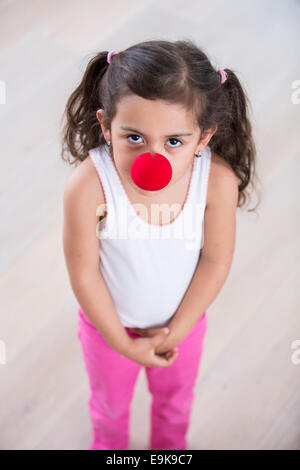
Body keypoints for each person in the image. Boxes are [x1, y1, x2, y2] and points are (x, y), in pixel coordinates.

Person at [61, 39, 259, 450]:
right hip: (107, 331)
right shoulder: (88, 185)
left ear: (203, 139)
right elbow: (84, 271)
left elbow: (215, 259)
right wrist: (121, 342)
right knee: (109, 410)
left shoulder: (216, 182)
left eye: (174, 141)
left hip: (182, 326)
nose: (153, 158)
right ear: (105, 126)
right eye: (133, 137)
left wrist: (177, 331)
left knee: (175, 406)